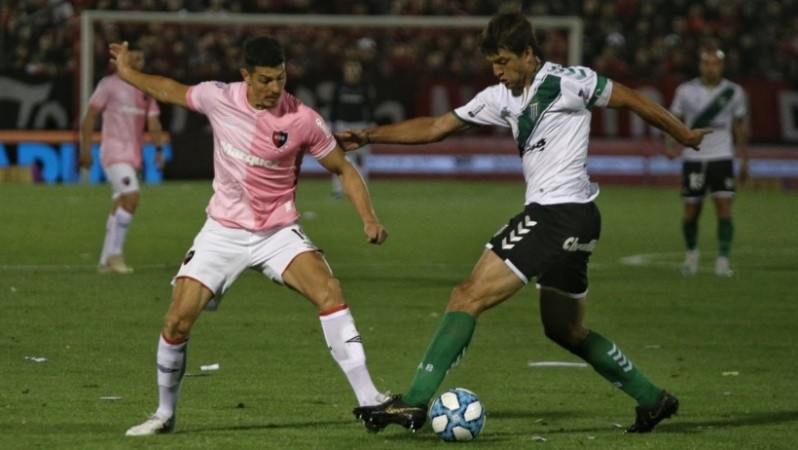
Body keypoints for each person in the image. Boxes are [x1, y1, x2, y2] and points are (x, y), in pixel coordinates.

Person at [338, 12, 710, 434]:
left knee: (466, 296)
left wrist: (682, 135)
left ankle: (414, 402)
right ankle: (653, 399)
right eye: (492, 64)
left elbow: (632, 99)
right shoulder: (500, 97)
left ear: (528, 54)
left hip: (556, 214)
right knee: (564, 329)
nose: (497, 71)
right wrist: (369, 135)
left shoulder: (570, 81)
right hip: (579, 219)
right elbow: (436, 127)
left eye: (503, 61)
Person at [109, 36, 390, 437]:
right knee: (176, 321)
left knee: (329, 291)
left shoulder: (303, 119)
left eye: (281, 78)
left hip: (277, 232)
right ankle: (164, 414)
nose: (275, 88)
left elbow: (343, 168)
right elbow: (169, 89)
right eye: (265, 80)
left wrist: (368, 218)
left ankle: (370, 398)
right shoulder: (218, 97)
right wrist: (126, 72)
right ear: (246, 75)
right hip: (223, 230)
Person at [80, 44, 165, 274]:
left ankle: (104, 261)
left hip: (133, 155)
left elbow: (154, 121)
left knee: (120, 203)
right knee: (131, 196)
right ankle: (115, 255)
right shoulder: (109, 84)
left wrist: (159, 149)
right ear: (124, 59)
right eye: (133, 58)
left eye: (140, 59)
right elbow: (90, 117)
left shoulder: (146, 88)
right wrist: (85, 149)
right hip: (113, 151)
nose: (137, 62)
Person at [666, 47, 749, 277]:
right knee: (691, 211)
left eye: (714, 63)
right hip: (694, 157)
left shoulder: (734, 92)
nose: (710, 68)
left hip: (722, 157)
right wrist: (670, 144)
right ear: (700, 65)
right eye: (706, 63)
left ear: (722, 66)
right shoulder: (685, 90)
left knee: (724, 208)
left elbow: (740, 127)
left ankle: (723, 260)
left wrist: (744, 159)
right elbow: (673, 119)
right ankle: (691, 255)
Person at [329, 59, 375, 198]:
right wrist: (331, 125)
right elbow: (333, 107)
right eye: (350, 69)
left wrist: (370, 125)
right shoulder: (339, 87)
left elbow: (370, 107)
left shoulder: (364, 87)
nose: (352, 72)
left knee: (361, 158)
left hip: (360, 126)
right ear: (345, 71)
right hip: (342, 125)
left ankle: (362, 188)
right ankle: (338, 190)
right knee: (339, 158)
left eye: (355, 69)